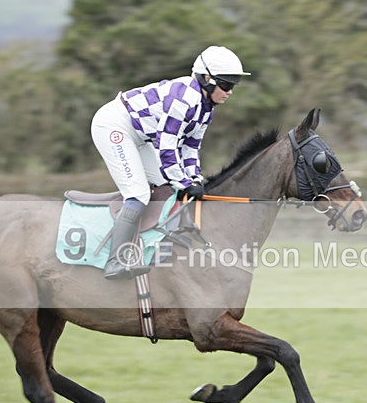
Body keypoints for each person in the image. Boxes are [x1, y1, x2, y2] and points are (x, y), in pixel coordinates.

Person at [91, 45, 250, 280]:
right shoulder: (183, 99)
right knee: (138, 193)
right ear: (207, 80)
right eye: (226, 85)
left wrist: (195, 179)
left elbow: (190, 148)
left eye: (233, 86)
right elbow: (167, 147)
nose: (230, 92)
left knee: (170, 187)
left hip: (142, 135)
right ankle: (116, 260)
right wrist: (184, 181)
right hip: (114, 126)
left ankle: (164, 241)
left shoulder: (206, 109)